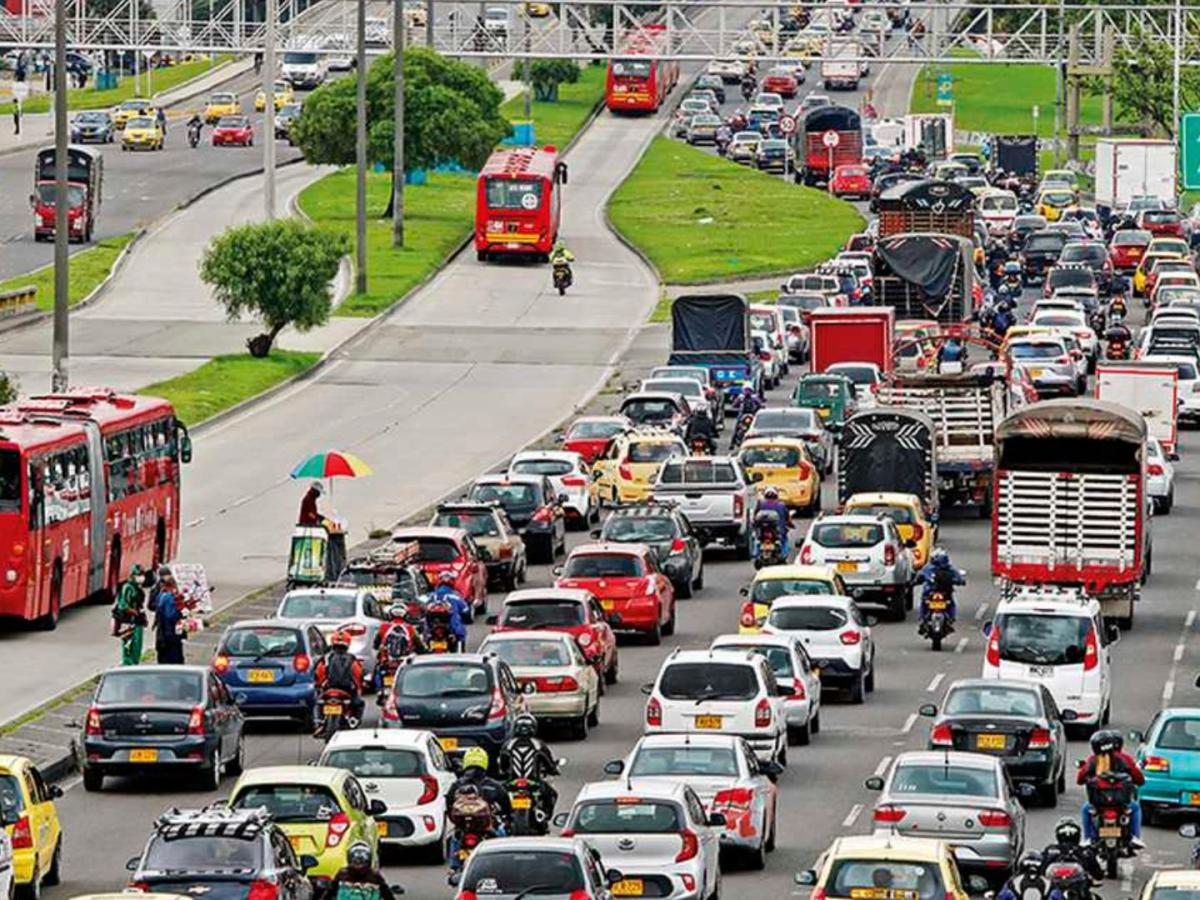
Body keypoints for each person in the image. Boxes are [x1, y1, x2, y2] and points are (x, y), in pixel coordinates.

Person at [1077, 729, 1144, 848]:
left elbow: (1080, 779)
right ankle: (1135, 836)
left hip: (1099, 804)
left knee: (1085, 810)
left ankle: (1088, 838)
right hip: (1122, 803)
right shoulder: (1125, 759)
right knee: (1136, 807)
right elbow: (1139, 779)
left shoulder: (1093, 760)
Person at [498, 713, 561, 826]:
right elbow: (550, 764)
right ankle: (545, 816)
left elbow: (503, 765)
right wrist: (553, 769)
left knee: (500, 796)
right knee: (552, 794)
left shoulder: (508, 745)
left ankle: (505, 817)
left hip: (512, 783)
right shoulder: (538, 745)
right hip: (534, 783)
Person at [316, 841, 399, 900]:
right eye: (356, 862)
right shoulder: (375, 876)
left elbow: (329, 893)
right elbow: (387, 893)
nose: (358, 865)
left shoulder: (342, 874)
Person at [315, 630, 365, 724]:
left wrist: (320, 685)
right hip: (347, 690)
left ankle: (320, 720)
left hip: (328, 689)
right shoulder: (352, 659)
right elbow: (358, 676)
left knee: (319, 702)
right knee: (359, 704)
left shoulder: (326, 659)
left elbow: (319, 674)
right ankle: (354, 720)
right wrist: (359, 687)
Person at [113, 564, 154, 666]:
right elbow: (123, 606)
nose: (141, 577)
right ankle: (128, 666)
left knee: (137, 647)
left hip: (137, 622)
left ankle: (134, 664)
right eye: (139, 575)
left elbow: (140, 606)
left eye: (142, 575)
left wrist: (142, 617)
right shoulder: (128, 588)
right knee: (129, 647)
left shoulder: (137, 587)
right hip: (128, 622)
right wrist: (136, 613)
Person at [917, 548, 965, 625]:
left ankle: (922, 618)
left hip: (936, 593)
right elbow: (959, 578)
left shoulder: (929, 568)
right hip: (937, 593)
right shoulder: (948, 569)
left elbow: (919, 576)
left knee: (924, 601)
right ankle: (951, 618)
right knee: (950, 603)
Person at [153, 566, 186, 664]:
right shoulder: (169, 597)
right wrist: (181, 613)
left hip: (162, 635)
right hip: (170, 635)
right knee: (173, 660)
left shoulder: (161, 595)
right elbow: (170, 615)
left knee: (163, 660)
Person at [432, 571, 470, 649]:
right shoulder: (455, 596)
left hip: (432, 631)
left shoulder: (432, 596)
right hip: (453, 630)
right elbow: (465, 610)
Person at [754, 486, 791, 558]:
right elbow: (788, 519)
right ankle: (783, 554)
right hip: (777, 534)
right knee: (785, 539)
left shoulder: (760, 504)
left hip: (765, 534)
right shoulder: (781, 505)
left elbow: (754, 518)